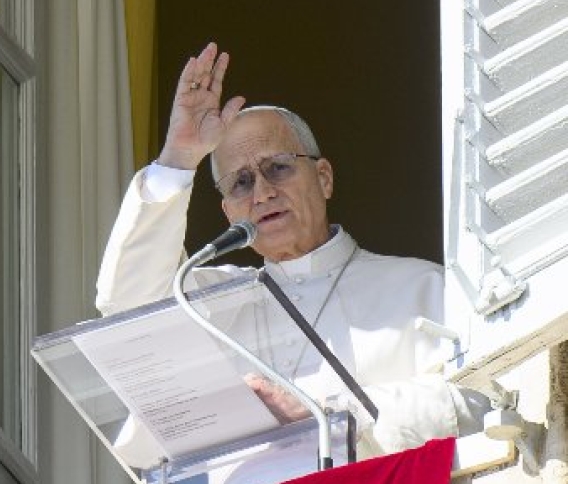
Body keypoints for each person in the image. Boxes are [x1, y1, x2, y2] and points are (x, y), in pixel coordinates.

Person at [96, 42, 486, 463]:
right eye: (241, 182)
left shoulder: (424, 287)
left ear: (323, 178)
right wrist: (178, 158)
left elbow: (480, 401)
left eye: (278, 167)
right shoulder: (209, 303)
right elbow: (126, 304)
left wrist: (330, 416)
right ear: (229, 213)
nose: (263, 192)